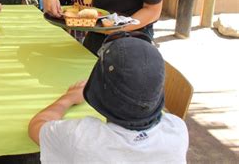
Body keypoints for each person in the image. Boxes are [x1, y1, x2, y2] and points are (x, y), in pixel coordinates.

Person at [28, 33, 189, 163]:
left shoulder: (82, 138)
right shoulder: (177, 130)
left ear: (97, 92)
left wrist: (68, 98)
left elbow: (36, 126)